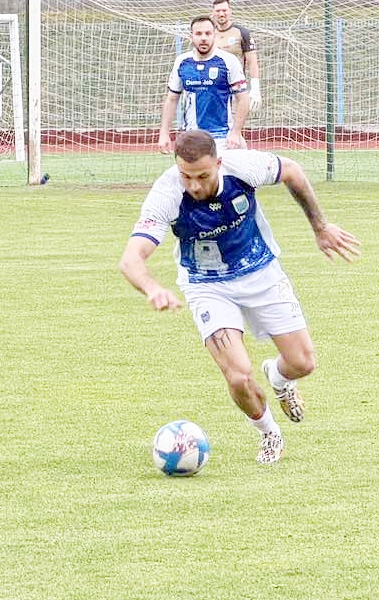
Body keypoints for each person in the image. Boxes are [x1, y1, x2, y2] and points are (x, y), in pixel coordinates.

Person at [119, 130, 361, 464]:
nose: (194, 186)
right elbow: (130, 260)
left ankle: (279, 378)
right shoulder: (167, 193)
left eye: (203, 176)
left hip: (261, 271)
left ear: (218, 163)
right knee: (238, 375)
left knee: (303, 363)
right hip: (206, 285)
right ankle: (269, 432)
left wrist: (320, 227)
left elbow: (292, 171)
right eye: (186, 176)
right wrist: (152, 288)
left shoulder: (243, 167)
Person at [158, 16, 250, 155]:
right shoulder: (182, 62)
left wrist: (236, 133)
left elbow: (243, 98)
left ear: (215, 35)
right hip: (192, 137)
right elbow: (172, 99)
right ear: (191, 37)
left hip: (222, 138)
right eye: (199, 34)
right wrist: (164, 133)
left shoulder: (228, 61)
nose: (203, 38)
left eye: (208, 33)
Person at [212, 0, 262, 112]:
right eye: (218, 11)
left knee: (235, 121)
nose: (221, 14)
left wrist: (255, 88)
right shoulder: (209, 33)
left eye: (224, 10)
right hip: (213, 88)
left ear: (230, 11)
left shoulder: (242, 33)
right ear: (213, 13)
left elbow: (252, 62)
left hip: (236, 89)